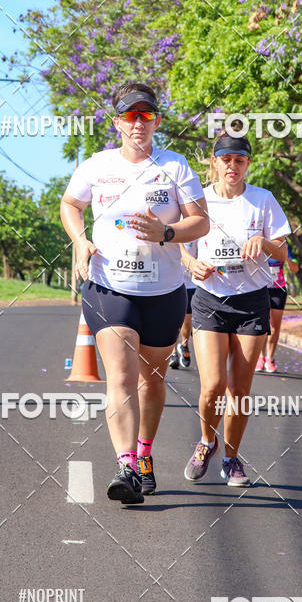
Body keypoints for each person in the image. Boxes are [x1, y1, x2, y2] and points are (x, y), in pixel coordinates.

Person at [60, 82, 209, 504]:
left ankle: (144, 453)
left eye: (146, 115)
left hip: (164, 291)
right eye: (130, 115)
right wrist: (79, 240)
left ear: (157, 121)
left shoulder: (175, 166)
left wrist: (167, 232)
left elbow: (201, 221)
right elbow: (70, 205)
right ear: (117, 122)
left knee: (152, 378)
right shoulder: (97, 165)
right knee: (121, 375)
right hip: (109, 286)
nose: (138, 122)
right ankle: (126, 465)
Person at [182, 132, 291, 486]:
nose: (233, 166)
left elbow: (283, 252)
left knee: (240, 391)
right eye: (226, 159)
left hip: (251, 301)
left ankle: (231, 458)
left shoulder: (262, 200)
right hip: (210, 299)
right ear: (214, 162)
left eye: (239, 160)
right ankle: (205, 442)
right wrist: (191, 264)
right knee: (213, 384)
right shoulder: (200, 202)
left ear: (248, 164)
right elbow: (181, 246)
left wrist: (265, 242)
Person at [255, 242, 299, 373]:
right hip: (261, 289)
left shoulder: (283, 244)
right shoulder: (258, 242)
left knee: (274, 326)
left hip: (278, 290)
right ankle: (261, 357)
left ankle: (270, 358)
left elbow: (295, 268)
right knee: (262, 324)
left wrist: (286, 258)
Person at [169, 238, 197, 369]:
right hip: (171, 282)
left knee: (187, 318)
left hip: (189, 282)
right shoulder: (169, 232)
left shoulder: (194, 234)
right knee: (172, 318)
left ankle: (184, 345)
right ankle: (173, 352)